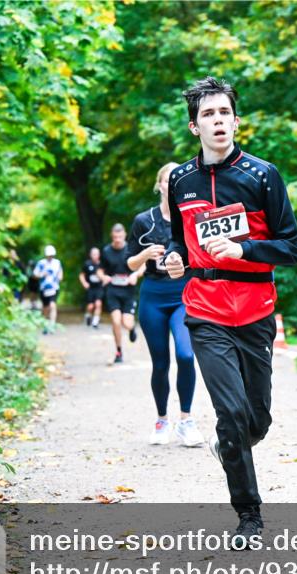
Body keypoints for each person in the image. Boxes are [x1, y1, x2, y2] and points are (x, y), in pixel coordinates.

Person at [164, 77, 297, 545]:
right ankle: (249, 517)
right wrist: (174, 257)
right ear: (195, 127)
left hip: (256, 309)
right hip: (205, 311)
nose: (218, 120)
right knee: (231, 412)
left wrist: (245, 250)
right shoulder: (181, 181)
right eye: (208, 114)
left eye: (224, 112)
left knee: (256, 418)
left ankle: (231, 444)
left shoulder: (263, 176)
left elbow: (292, 247)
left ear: (236, 121)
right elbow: (178, 241)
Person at [126, 163, 204, 448]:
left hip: (184, 293)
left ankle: (186, 421)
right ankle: (162, 421)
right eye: (167, 181)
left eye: (177, 181)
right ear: (159, 185)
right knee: (160, 363)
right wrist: (146, 254)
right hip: (153, 295)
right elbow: (129, 263)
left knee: (185, 355)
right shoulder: (143, 221)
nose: (172, 185)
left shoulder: (192, 218)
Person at [98, 224, 143, 363]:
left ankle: (131, 329)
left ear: (124, 235)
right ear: (112, 236)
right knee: (116, 321)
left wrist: (135, 275)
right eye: (115, 237)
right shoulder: (106, 251)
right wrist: (103, 277)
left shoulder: (131, 249)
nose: (117, 239)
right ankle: (119, 352)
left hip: (128, 290)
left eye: (120, 236)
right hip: (112, 290)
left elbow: (143, 264)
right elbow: (100, 270)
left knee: (126, 323)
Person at [33, 245, 63, 333]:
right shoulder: (41, 263)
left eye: (51, 255)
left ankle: (52, 324)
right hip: (44, 288)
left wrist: (60, 277)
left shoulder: (57, 263)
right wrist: (42, 274)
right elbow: (34, 275)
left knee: (53, 305)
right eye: (49, 255)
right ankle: (45, 324)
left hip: (54, 287)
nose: (50, 257)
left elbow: (60, 272)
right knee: (45, 307)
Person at [79, 247, 103, 328]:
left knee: (98, 304)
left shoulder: (102, 264)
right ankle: (88, 315)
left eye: (96, 254)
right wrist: (84, 283)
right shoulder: (87, 264)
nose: (95, 256)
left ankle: (95, 322)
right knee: (90, 306)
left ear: (99, 255)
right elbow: (82, 275)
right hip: (91, 288)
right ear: (90, 255)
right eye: (93, 254)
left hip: (99, 287)